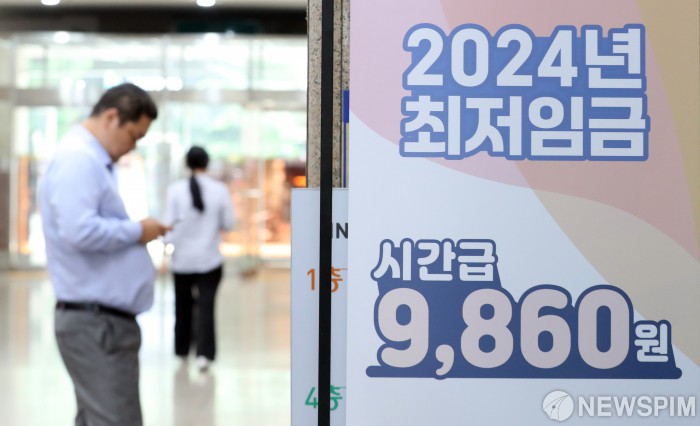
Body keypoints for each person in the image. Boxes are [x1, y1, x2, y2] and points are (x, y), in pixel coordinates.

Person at [39, 82, 169, 426]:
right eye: (133, 135)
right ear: (111, 117)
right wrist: (137, 231)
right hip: (96, 324)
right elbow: (79, 230)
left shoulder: (89, 161)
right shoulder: (78, 160)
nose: (132, 147)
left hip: (102, 322)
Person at [163, 146, 235, 371]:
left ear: (187, 164)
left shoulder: (175, 190)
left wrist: (167, 248)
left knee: (182, 306)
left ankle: (182, 350)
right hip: (210, 260)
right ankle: (204, 354)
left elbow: (168, 228)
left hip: (182, 261)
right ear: (207, 163)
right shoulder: (220, 190)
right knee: (206, 307)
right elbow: (229, 223)